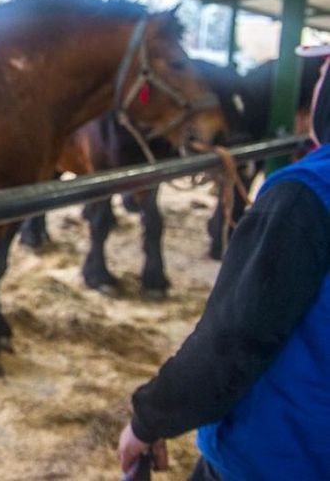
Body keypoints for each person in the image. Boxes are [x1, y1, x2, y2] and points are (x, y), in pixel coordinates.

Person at [117, 45, 330, 480]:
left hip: (282, 453)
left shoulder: (306, 195)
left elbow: (234, 340)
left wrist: (149, 419)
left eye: (324, 71)